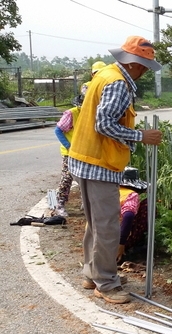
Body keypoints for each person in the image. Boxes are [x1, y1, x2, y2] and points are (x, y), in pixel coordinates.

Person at [68, 36, 162, 304]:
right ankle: (107, 283)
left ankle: (92, 273)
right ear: (132, 63)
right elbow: (104, 124)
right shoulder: (118, 84)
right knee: (108, 226)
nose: (144, 71)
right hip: (99, 164)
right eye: (143, 65)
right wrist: (140, 135)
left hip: (85, 159)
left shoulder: (105, 75)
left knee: (96, 224)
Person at [53, 61, 106, 217]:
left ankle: (86, 203)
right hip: (71, 152)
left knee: (87, 177)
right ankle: (60, 204)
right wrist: (69, 146)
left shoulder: (97, 106)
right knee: (67, 178)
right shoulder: (73, 113)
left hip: (86, 151)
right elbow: (58, 130)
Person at [116, 166, 149, 264]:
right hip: (115, 240)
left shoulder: (109, 190)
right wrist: (121, 243)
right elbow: (128, 216)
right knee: (148, 205)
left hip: (97, 239)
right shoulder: (131, 195)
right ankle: (129, 248)